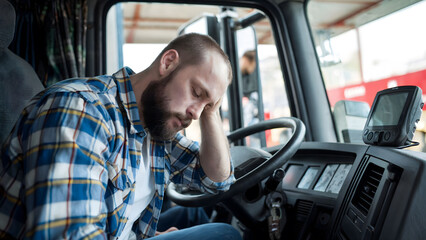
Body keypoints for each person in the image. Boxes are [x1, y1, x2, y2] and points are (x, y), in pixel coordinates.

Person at [0, 33, 241, 240]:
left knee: (194, 214)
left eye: (207, 105)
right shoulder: (82, 110)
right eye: (196, 92)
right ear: (167, 63)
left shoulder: (155, 127)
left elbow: (216, 181)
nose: (196, 113)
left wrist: (212, 112)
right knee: (224, 234)